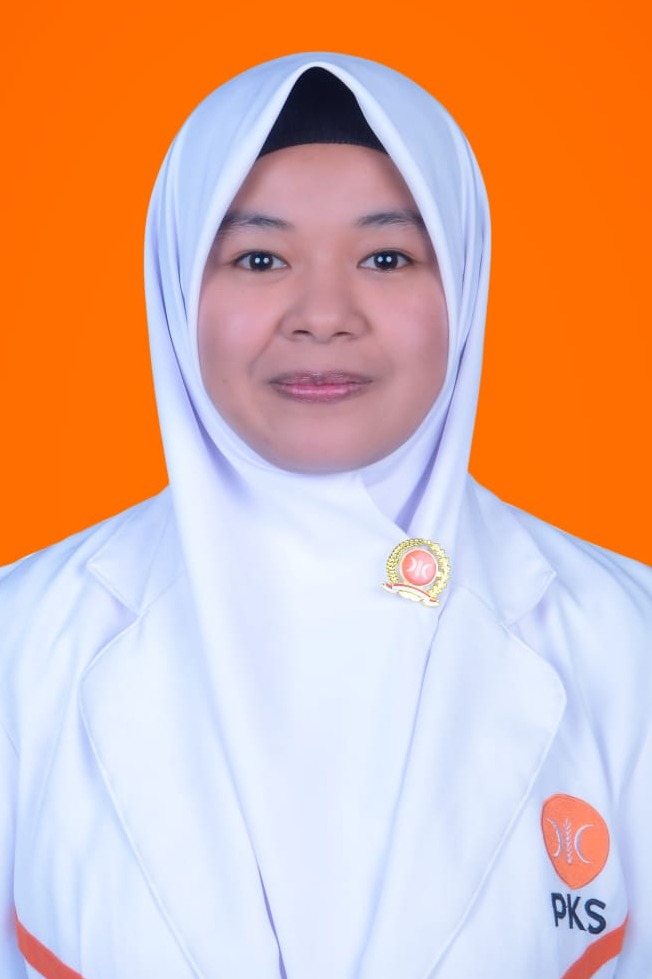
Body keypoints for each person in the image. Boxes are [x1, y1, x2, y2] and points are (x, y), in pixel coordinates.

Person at [0, 53, 650, 979]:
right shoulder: (20, 644)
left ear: (464, 280)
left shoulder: (627, 640)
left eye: (386, 257)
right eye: (260, 258)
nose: (323, 315)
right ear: (178, 284)